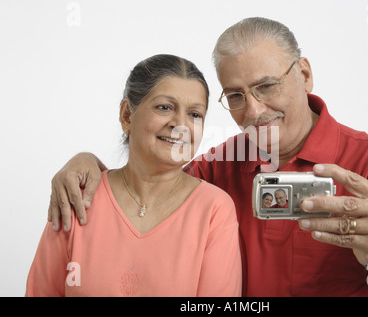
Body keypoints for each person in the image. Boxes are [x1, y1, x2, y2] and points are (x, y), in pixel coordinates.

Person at [45, 18, 368, 297]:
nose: (255, 111)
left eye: (267, 86)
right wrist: (86, 162)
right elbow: (147, 178)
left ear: (304, 74)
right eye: (237, 96)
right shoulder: (220, 165)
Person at [26, 54, 242, 297]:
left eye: (194, 114)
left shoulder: (214, 209)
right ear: (127, 115)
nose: (180, 125)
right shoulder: (78, 195)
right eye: (165, 107)